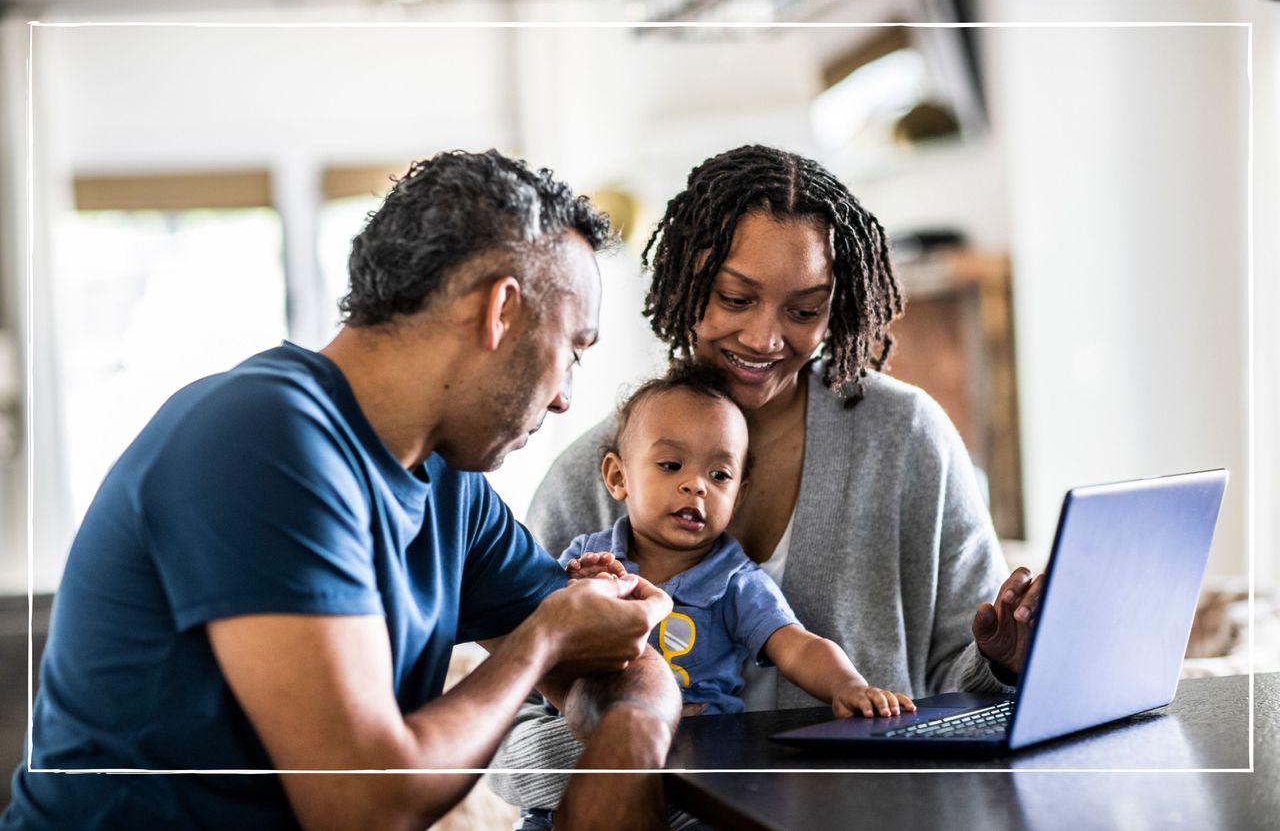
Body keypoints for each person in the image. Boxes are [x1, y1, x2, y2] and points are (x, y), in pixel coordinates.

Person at [1, 150, 682, 831]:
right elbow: (364, 804)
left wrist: (632, 749)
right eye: (574, 349)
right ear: (500, 311)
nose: (566, 398)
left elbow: (613, 650)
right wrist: (545, 637)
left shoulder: (452, 485)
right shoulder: (262, 437)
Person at [490, 143, 1045, 814]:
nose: (765, 336)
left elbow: (967, 704)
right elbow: (511, 758)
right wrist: (647, 738)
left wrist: (1006, 664)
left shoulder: (905, 440)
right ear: (685, 281)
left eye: (804, 310)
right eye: (735, 297)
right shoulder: (588, 476)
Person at [562, 362, 917, 719]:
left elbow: (797, 647)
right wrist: (578, 596)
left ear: (739, 497)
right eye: (671, 465)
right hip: (598, 737)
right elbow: (536, 636)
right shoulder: (587, 558)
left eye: (719, 475)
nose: (696, 485)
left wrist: (849, 686)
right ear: (617, 476)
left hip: (703, 750)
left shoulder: (735, 580)